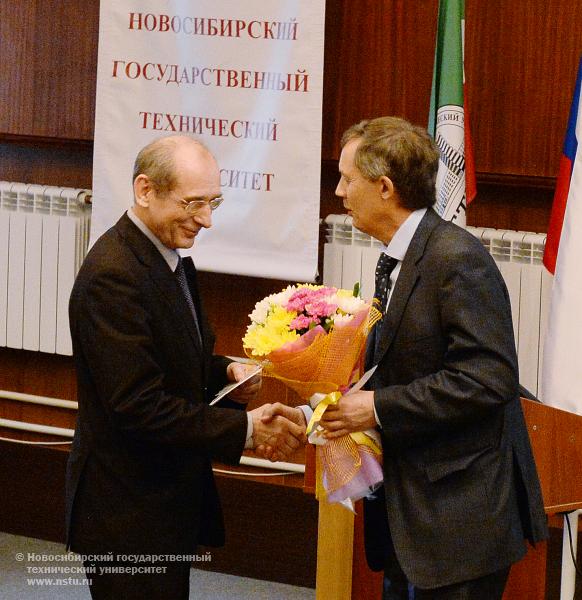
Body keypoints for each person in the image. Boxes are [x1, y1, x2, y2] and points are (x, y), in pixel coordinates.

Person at [269, 117, 548, 599]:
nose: (338, 191)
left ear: (383, 188)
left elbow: (489, 378)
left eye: (347, 179)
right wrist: (320, 410)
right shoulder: (398, 257)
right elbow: (393, 371)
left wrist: (376, 408)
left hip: (457, 522)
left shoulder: (456, 259)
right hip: (411, 517)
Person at [66, 135, 306, 600]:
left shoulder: (166, 257)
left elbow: (168, 358)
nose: (207, 219)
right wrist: (246, 430)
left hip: (163, 501)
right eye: (194, 202)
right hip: (126, 513)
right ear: (144, 190)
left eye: (213, 201)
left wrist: (223, 375)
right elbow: (138, 406)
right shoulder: (113, 277)